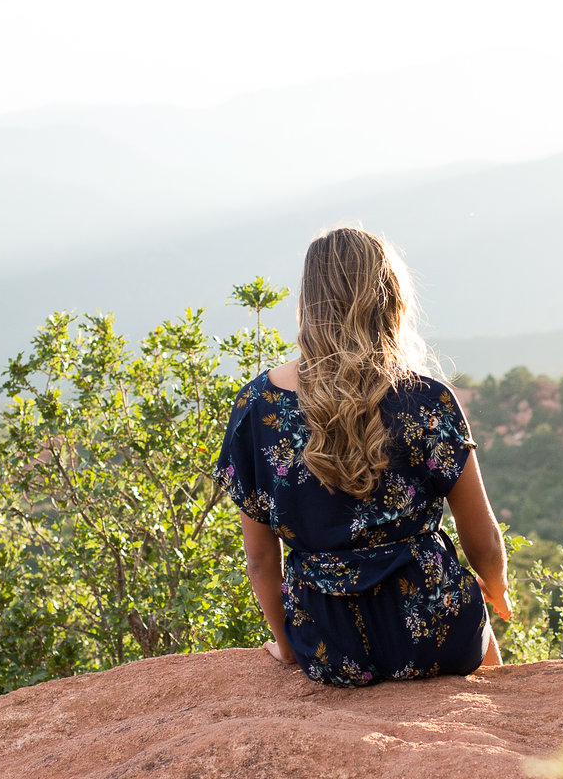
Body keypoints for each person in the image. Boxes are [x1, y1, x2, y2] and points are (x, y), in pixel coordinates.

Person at [214, 226, 510, 685]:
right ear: (389, 299)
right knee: (487, 662)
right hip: (434, 628)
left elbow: (259, 559)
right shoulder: (426, 399)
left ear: (308, 302)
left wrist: (288, 643)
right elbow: (483, 540)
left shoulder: (257, 406)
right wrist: (498, 587)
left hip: (333, 645)